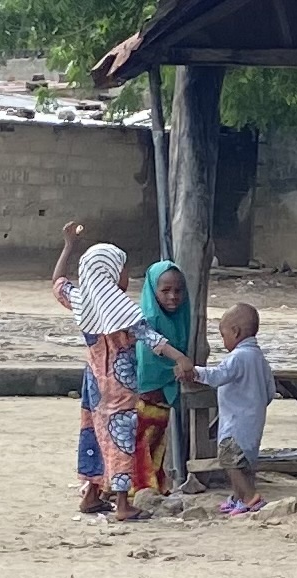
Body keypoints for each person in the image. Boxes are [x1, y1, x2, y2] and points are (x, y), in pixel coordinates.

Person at [51, 222, 192, 522]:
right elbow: (153, 340)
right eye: (123, 268)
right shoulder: (122, 311)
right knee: (121, 438)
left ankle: (91, 495)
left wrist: (68, 247)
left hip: (92, 381)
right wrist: (180, 357)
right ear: (112, 273)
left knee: (94, 433)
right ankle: (122, 504)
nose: (128, 275)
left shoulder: (82, 302)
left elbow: (59, 282)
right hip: (118, 386)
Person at [186, 303, 275, 516]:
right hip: (253, 422)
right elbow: (271, 390)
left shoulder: (238, 357)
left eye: (223, 335)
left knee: (230, 462)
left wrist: (194, 372)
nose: (223, 340)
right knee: (243, 464)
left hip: (235, 423)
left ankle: (250, 497)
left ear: (235, 332)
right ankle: (237, 497)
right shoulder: (259, 358)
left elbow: (218, 376)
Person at [134, 260, 191, 495]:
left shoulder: (182, 316)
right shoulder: (148, 319)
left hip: (165, 392)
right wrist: (179, 363)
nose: (173, 297)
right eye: (165, 291)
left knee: (157, 441)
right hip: (148, 390)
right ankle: (140, 488)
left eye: (178, 290)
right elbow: (149, 358)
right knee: (142, 441)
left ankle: (154, 484)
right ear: (152, 290)